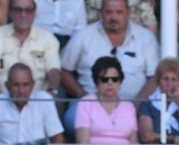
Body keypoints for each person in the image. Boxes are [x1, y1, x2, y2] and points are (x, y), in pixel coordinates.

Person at [60, 0, 159, 134]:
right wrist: (83, 95)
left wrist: (137, 104)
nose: (114, 17)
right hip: (90, 106)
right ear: (101, 13)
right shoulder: (83, 36)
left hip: (133, 107)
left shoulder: (146, 38)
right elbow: (64, 71)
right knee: (73, 119)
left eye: (119, 12)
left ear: (128, 13)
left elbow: (154, 78)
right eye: (108, 12)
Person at [0, 0, 61, 97]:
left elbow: (54, 70)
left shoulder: (48, 38)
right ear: (10, 12)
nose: (23, 14)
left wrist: (52, 91)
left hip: (38, 101)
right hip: (3, 98)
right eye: (18, 10)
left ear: (35, 13)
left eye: (28, 10)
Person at [0, 62, 64, 145]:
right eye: (16, 85)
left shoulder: (44, 100)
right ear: (7, 85)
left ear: (33, 85)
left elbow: (57, 139)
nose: (21, 91)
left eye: (26, 85)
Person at [75, 56, 138, 144]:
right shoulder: (86, 103)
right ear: (96, 81)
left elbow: (134, 142)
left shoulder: (129, 106)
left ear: (120, 81)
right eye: (104, 79)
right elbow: (83, 142)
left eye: (115, 79)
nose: (110, 83)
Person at [137, 57, 179, 145]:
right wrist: (175, 138)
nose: (169, 84)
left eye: (174, 79)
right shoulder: (148, 103)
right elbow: (146, 137)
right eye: (165, 79)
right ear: (159, 81)